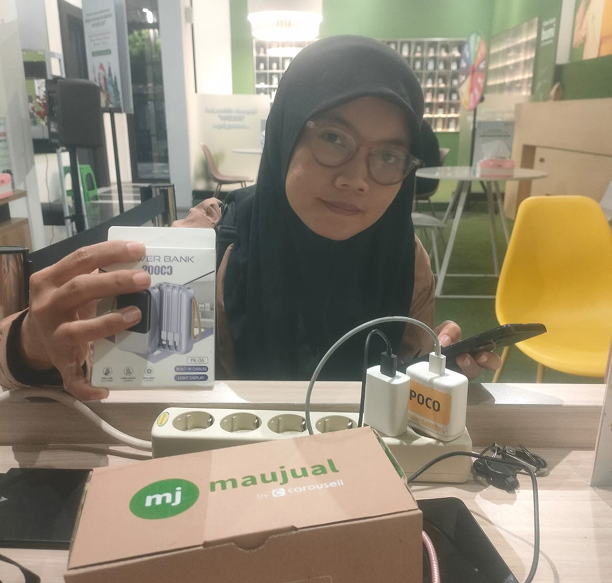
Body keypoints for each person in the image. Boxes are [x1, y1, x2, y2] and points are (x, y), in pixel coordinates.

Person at [0, 35, 500, 401]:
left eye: (388, 156)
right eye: (333, 138)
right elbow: (107, 368)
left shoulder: (403, 259)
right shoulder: (204, 246)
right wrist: (31, 344)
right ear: (286, 133)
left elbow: (402, 385)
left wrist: (436, 374)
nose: (357, 180)